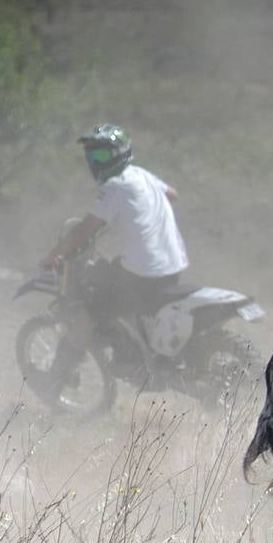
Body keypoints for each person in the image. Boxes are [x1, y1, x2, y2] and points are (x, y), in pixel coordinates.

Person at [36, 124, 189, 394]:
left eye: (102, 157)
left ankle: (56, 382)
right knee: (114, 281)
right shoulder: (140, 175)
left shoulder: (115, 186)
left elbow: (85, 229)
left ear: (120, 154)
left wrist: (53, 255)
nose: (95, 163)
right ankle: (134, 351)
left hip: (144, 272)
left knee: (90, 308)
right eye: (92, 157)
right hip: (173, 264)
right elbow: (172, 195)